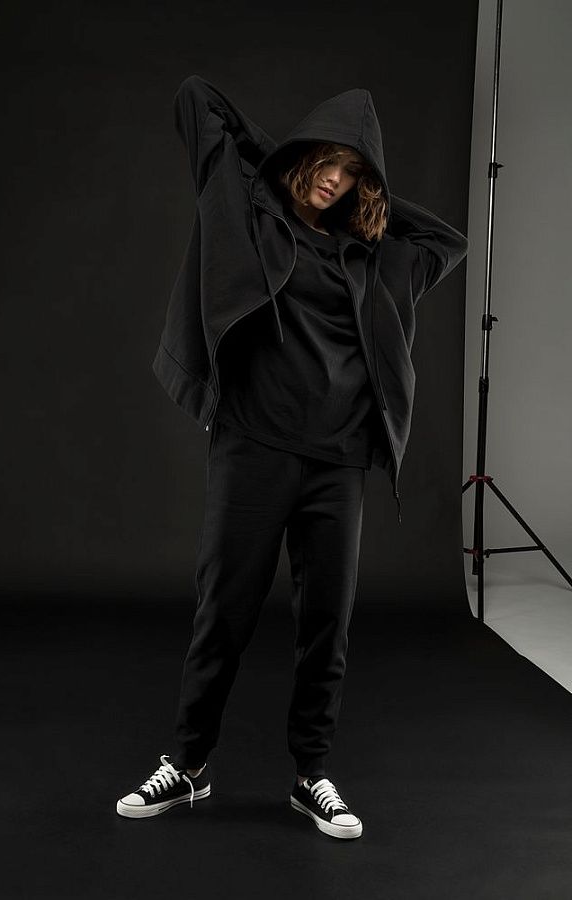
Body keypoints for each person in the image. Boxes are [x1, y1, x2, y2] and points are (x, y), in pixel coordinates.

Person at [116, 75, 469, 840]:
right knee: (224, 612)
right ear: (305, 154)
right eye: (326, 161)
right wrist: (282, 160)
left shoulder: (372, 255)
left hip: (337, 465)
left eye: (351, 171)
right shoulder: (247, 211)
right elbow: (195, 98)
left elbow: (448, 241)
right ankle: (188, 762)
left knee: (326, 625)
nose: (333, 179)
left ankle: (312, 775)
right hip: (253, 446)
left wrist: (368, 195)